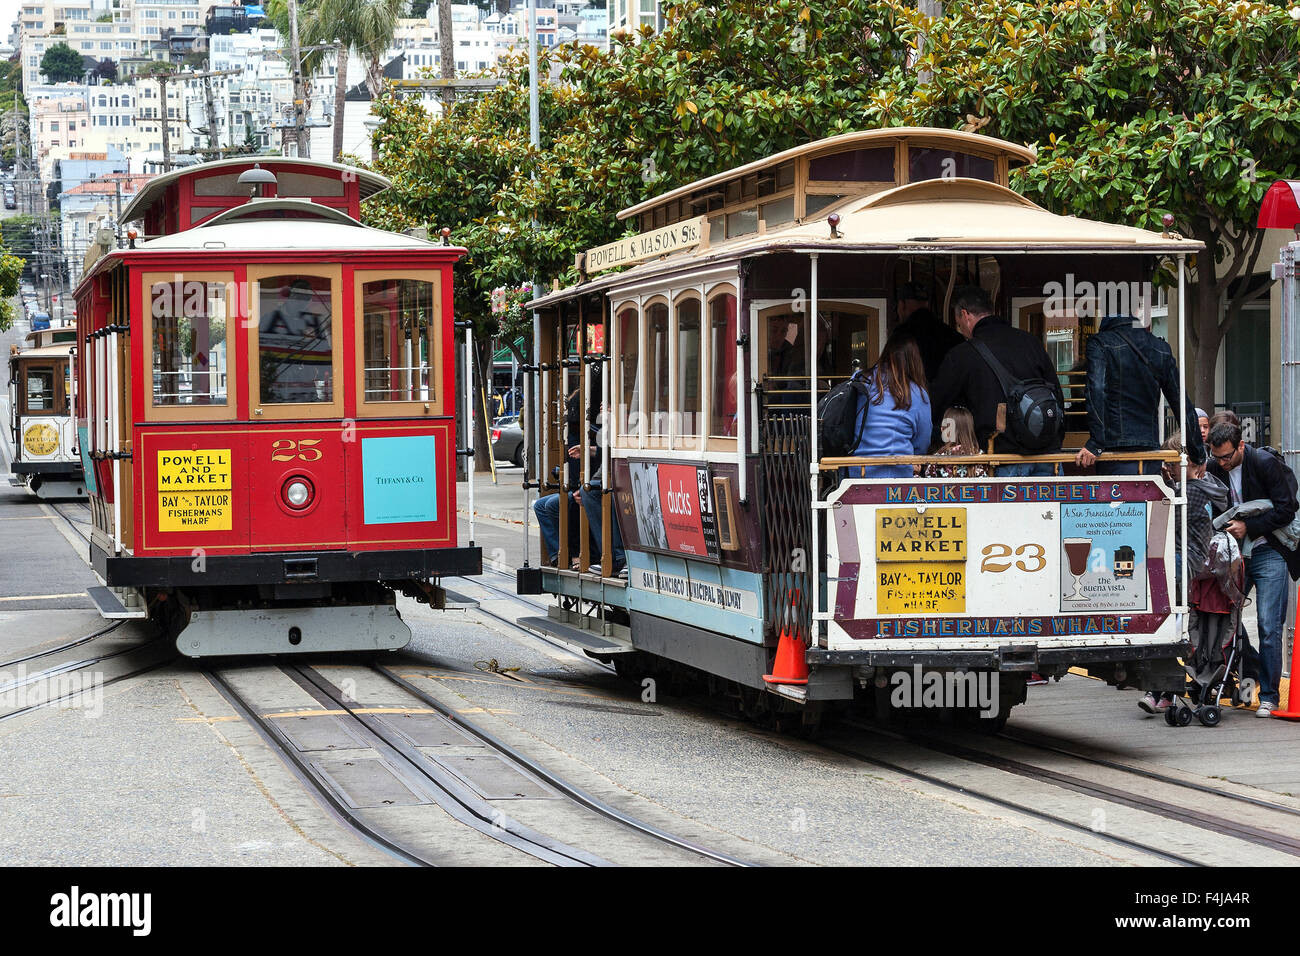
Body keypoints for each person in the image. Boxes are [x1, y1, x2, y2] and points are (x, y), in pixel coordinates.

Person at [1206, 420, 1300, 718]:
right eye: (1217, 457)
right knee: (1226, 619)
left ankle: (1269, 696)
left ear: (1241, 446)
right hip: (1234, 554)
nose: (1222, 463)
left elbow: (1287, 509)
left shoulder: (1263, 463)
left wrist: (1249, 527)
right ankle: (1247, 682)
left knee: (1268, 625)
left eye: (1227, 457)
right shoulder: (1214, 467)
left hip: (1269, 549)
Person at [928, 285, 1064, 476]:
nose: (961, 330)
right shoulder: (1031, 342)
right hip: (1048, 457)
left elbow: (936, 404)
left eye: (958, 324)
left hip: (1000, 458)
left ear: (965, 315)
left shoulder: (962, 355)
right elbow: (1057, 396)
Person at [1140, 433, 1229, 715]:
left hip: (1186, 562)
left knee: (1168, 622)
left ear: (1188, 462)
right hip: (1190, 561)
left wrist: (1164, 484)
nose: (1166, 467)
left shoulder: (1192, 492)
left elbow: (1164, 519)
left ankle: (1161, 691)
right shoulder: (1199, 486)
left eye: (1170, 462)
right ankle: (1161, 691)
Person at [1073, 314, 1205, 474]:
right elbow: (1181, 403)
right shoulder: (1160, 348)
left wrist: (1096, 442)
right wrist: (1198, 453)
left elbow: (1096, 389)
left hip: (1115, 451)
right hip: (1150, 450)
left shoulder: (1100, 342)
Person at [847, 334, 930, 478]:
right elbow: (922, 443)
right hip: (896, 476)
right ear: (914, 361)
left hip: (856, 472)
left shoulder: (860, 379)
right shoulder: (918, 394)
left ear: (885, 353)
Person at [891, 280, 964, 384]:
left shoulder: (901, 335)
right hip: (948, 392)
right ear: (928, 304)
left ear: (902, 305)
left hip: (913, 391)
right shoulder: (951, 334)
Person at [923, 406, 990, 478]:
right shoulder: (981, 456)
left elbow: (928, 481)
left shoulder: (937, 457)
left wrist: (916, 473)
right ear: (970, 430)